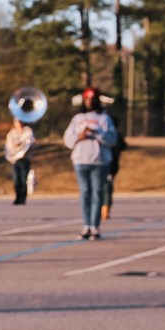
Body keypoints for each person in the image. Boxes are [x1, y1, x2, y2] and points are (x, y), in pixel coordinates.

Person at [62, 88, 118, 240]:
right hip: (81, 160)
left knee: (97, 193)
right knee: (85, 193)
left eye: (92, 99)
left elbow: (112, 139)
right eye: (86, 99)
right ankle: (86, 225)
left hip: (100, 161)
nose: (89, 102)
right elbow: (68, 140)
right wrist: (79, 136)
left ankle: (95, 226)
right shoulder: (77, 118)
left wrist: (96, 133)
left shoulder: (104, 118)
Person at [4, 117, 35, 206]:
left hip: (25, 159)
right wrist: (15, 147)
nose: (19, 123)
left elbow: (29, 143)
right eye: (17, 122)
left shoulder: (28, 131)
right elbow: (9, 146)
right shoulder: (12, 133)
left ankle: (23, 198)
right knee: (16, 179)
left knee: (23, 179)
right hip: (14, 160)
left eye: (20, 122)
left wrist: (20, 144)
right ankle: (17, 197)